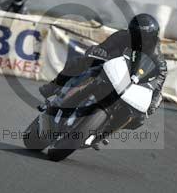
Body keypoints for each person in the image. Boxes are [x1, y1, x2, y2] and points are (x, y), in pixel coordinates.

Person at [39, 13, 168, 130]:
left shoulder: (156, 55)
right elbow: (103, 47)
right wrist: (99, 51)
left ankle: (103, 130)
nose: (138, 39)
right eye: (134, 34)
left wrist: (154, 96)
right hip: (111, 68)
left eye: (142, 37)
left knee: (139, 118)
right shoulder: (122, 36)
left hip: (131, 82)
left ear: (151, 37)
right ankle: (53, 86)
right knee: (80, 62)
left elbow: (161, 76)